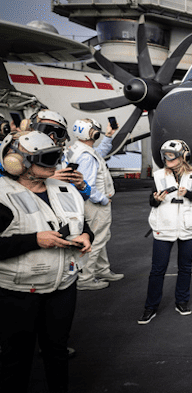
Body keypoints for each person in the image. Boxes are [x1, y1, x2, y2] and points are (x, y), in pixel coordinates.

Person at [0, 131, 98, 393]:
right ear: (19, 162)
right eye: (47, 159)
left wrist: (86, 238)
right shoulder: (1, 193)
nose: (55, 164)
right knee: (16, 356)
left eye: (56, 156)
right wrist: (34, 240)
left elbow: (84, 226)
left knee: (57, 347)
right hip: (17, 290)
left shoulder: (66, 189)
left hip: (63, 283)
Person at [137, 140, 192, 324]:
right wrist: (156, 199)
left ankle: (182, 302)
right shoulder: (158, 176)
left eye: (171, 155)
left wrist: (188, 194)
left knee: (185, 267)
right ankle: (150, 307)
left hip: (188, 227)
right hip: (164, 226)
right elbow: (152, 201)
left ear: (183, 156)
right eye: (166, 155)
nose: (167, 159)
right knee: (157, 269)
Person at [64, 118, 122, 291]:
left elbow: (99, 153)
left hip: (86, 203)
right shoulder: (86, 157)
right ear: (91, 132)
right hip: (94, 204)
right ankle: (86, 278)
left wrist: (109, 136)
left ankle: (102, 270)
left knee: (99, 237)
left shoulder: (80, 150)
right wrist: (104, 199)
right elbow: (87, 186)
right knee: (96, 240)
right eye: (96, 130)